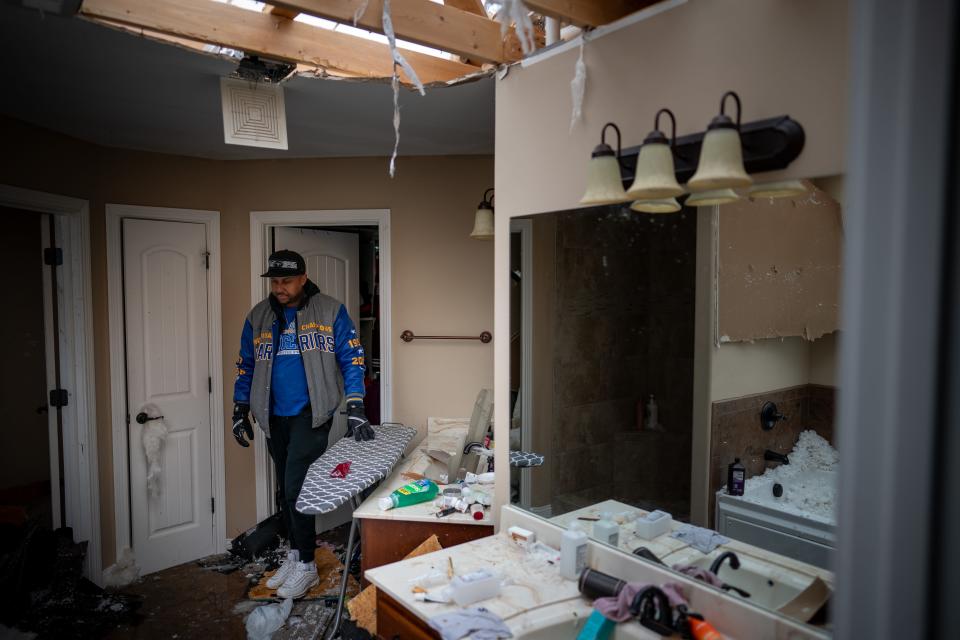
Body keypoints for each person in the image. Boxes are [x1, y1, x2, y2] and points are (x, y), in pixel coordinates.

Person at [232, 249, 375, 599]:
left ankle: (308, 565)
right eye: (275, 281)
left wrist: (355, 402)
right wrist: (239, 408)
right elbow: (245, 364)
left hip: (311, 415)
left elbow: (352, 357)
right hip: (271, 416)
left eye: (287, 281)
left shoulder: (330, 311)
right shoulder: (258, 316)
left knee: (296, 486)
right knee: (285, 486)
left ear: (303, 278)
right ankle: (296, 555)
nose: (280, 288)